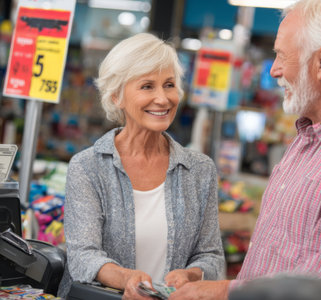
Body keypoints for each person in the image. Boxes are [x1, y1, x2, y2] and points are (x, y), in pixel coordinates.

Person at [168, 0, 321, 299]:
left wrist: (221, 292)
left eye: (281, 55)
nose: (275, 69)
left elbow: (316, 289)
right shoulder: (309, 134)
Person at [57, 33, 225, 299]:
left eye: (169, 85)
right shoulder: (88, 168)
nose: (162, 99)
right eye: (147, 86)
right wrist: (127, 279)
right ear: (116, 97)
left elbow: (211, 256)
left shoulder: (200, 170)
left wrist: (190, 275)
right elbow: (83, 256)